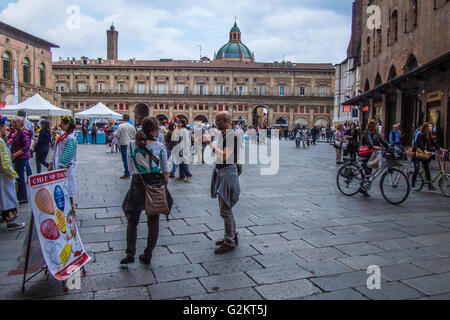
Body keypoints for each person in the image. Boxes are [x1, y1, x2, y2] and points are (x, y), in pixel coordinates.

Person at [121, 117, 172, 265]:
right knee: (153, 221)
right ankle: (148, 254)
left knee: (132, 220)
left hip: (138, 183)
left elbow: (130, 169)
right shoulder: (160, 147)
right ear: (155, 130)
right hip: (156, 184)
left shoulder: (131, 145)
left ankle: (130, 254)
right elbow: (165, 172)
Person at [206, 112, 240, 254]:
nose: (216, 123)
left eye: (218, 121)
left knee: (225, 210)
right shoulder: (225, 135)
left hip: (227, 173)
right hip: (223, 172)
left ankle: (229, 242)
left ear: (226, 120)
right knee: (226, 209)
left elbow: (225, 155)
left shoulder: (231, 135)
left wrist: (209, 143)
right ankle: (232, 235)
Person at [48, 116, 78, 213]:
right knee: (62, 187)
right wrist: (51, 162)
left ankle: (71, 206)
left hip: (65, 167)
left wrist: (62, 165)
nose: (60, 125)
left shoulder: (71, 138)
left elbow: (68, 153)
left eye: (63, 123)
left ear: (68, 125)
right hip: (59, 166)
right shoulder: (63, 136)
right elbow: (56, 150)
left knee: (68, 187)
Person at [0, 116, 25, 231]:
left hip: (3, 176)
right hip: (4, 177)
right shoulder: (0, 142)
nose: (7, 127)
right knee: (8, 198)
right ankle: (11, 222)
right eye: (5, 125)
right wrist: (13, 175)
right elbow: (5, 162)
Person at [411, 122, 447, 191]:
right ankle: (412, 185)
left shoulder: (429, 135)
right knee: (416, 170)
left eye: (432, 126)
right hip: (417, 154)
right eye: (430, 126)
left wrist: (441, 149)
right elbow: (420, 144)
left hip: (425, 155)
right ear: (426, 127)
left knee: (427, 168)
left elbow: (434, 144)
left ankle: (430, 185)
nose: (431, 127)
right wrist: (425, 151)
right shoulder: (420, 135)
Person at [360, 120, 390, 197]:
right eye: (377, 125)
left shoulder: (377, 134)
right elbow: (369, 142)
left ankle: (364, 186)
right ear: (373, 126)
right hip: (366, 153)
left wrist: (390, 146)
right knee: (367, 170)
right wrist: (373, 146)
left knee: (369, 171)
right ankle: (363, 187)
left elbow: (383, 142)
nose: (378, 126)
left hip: (373, 154)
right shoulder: (368, 133)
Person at [10, 117, 32, 204]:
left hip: (21, 157)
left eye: (15, 123)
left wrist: (15, 154)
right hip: (19, 157)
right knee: (19, 176)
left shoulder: (23, 133)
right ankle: (20, 195)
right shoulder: (18, 132)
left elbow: (26, 146)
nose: (13, 124)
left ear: (20, 123)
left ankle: (22, 197)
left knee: (20, 177)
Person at [116, 114, 136, 179]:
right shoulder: (132, 126)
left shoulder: (120, 126)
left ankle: (127, 173)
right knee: (131, 158)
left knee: (125, 159)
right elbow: (135, 135)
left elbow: (118, 135)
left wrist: (115, 134)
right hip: (131, 144)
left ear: (123, 118)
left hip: (124, 144)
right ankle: (132, 172)